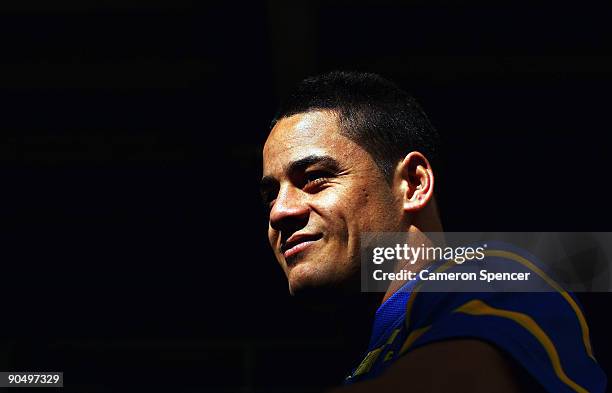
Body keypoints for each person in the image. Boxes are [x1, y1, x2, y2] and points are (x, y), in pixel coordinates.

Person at [260, 71, 606, 392]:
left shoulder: (497, 272)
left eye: (315, 178)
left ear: (413, 184)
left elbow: (468, 378)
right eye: (270, 194)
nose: (279, 211)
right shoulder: (377, 351)